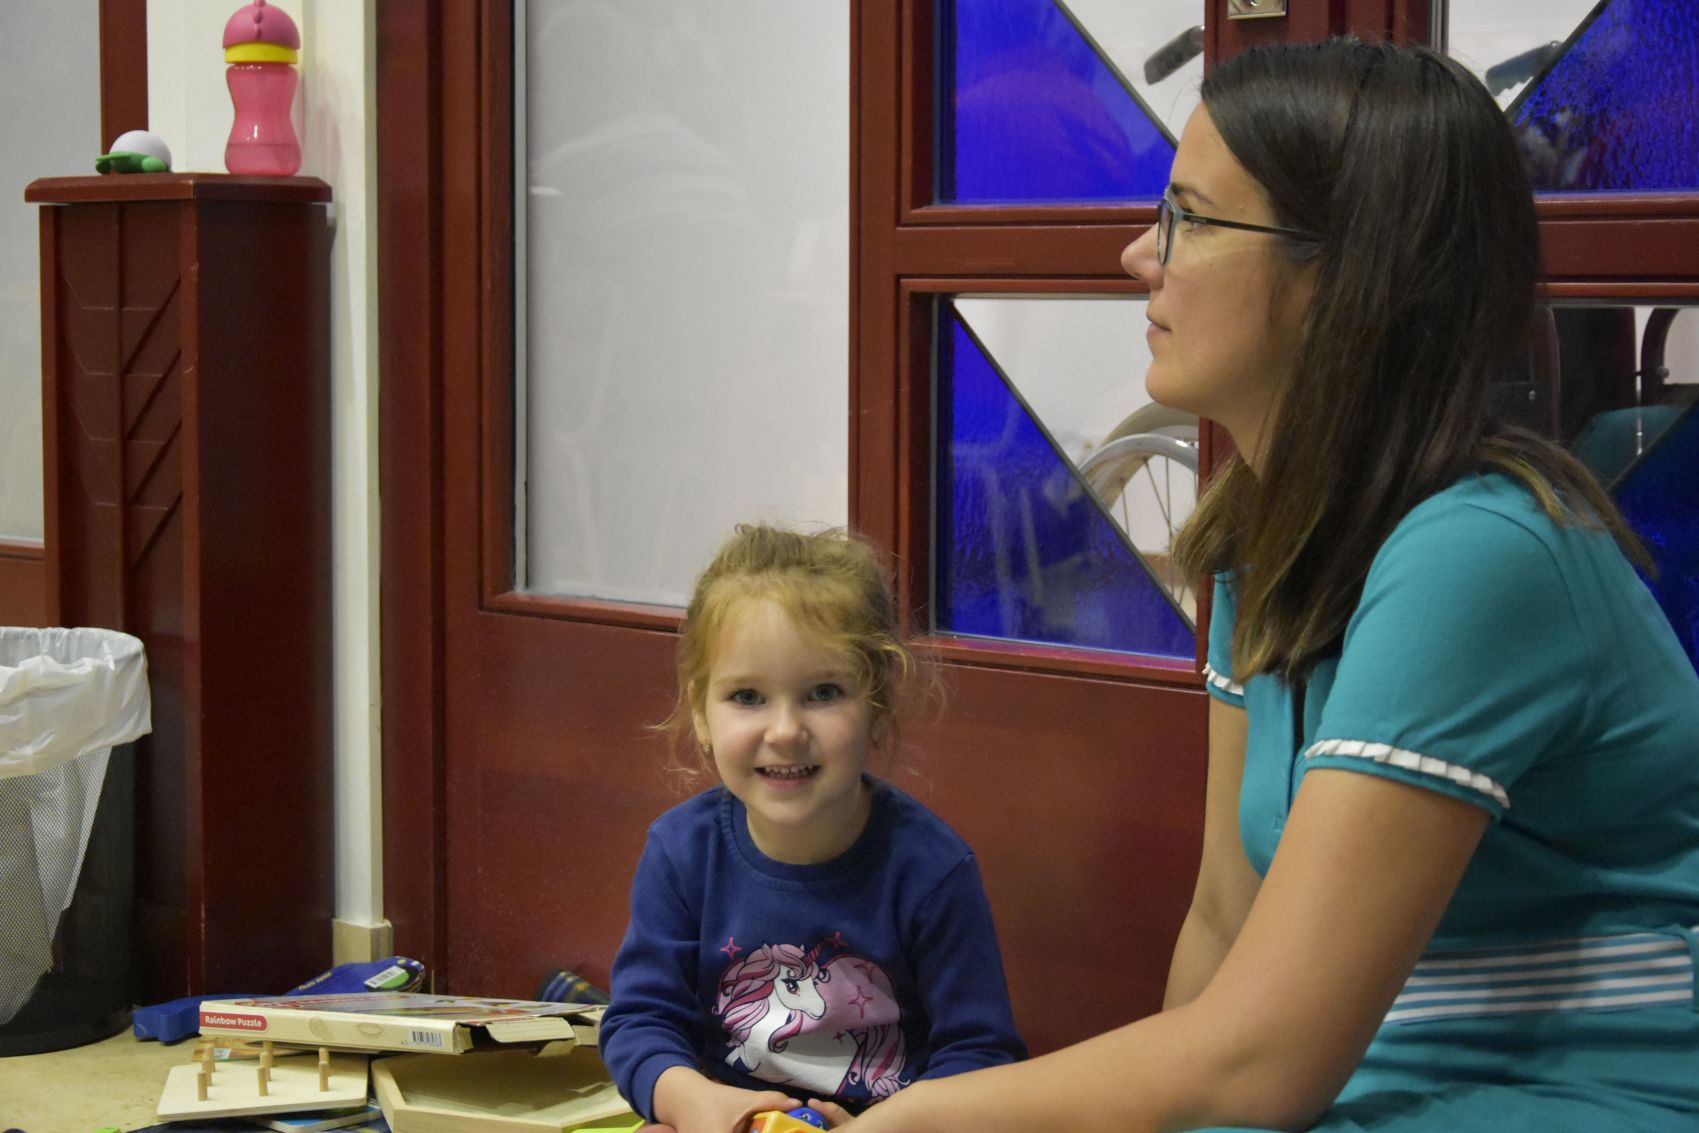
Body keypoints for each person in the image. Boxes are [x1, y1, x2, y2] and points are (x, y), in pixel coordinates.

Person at [832, 37, 1699, 1133]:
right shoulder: (1265, 532)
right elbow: (1221, 922)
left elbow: (1264, 1061)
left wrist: (914, 1117)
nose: (1139, 256)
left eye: (1189, 219)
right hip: (1395, 1087)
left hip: (1595, 1096)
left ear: (1339, 272)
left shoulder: (1478, 553)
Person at [599, 524, 1027, 1133]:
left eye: (823, 693)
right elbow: (640, 1023)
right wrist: (699, 1105)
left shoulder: (932, 869)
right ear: (700, 712)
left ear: (877, 704)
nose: (785, 731)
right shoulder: (680, 852)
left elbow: (981, 1056)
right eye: (747, 696)